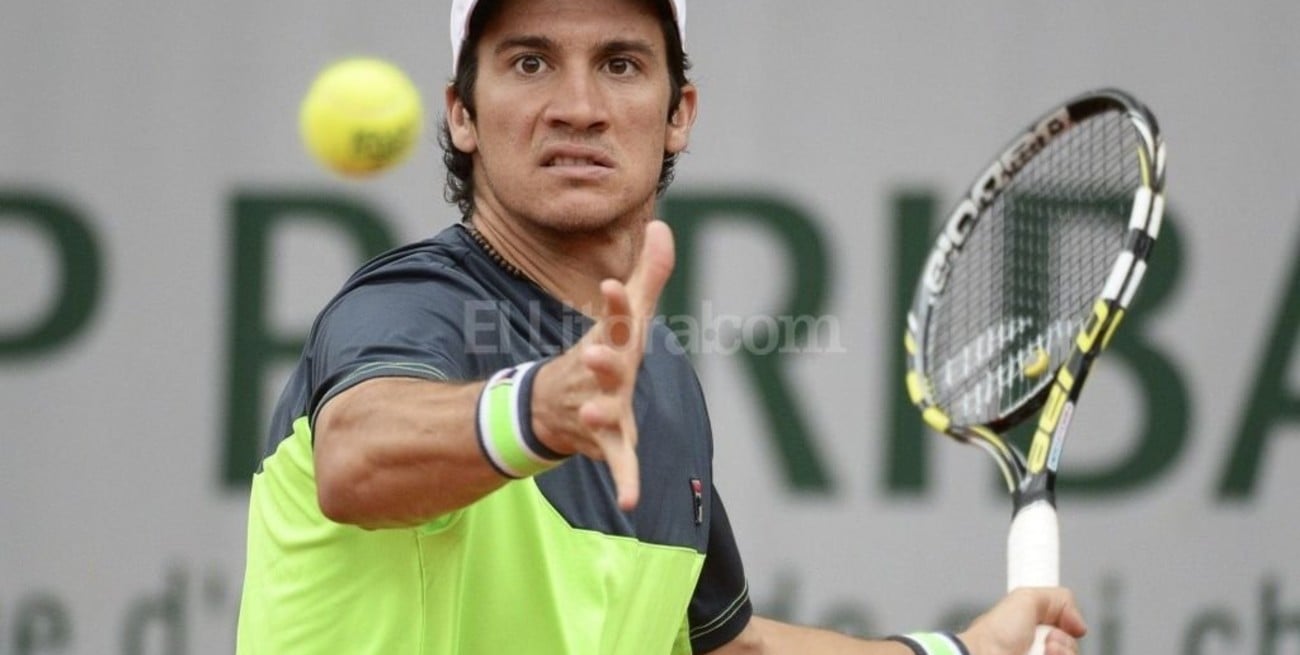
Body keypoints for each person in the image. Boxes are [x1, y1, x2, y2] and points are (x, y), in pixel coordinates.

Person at [236, 0, 1089, 653]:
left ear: (679, 110)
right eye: (530, 62)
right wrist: (534, 411)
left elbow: (725, 646)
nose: (577, 105)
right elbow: (355, 457)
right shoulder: (409, 303)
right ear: (463, 111)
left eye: (619, 63)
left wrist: (959, 650)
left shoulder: (661, 383)